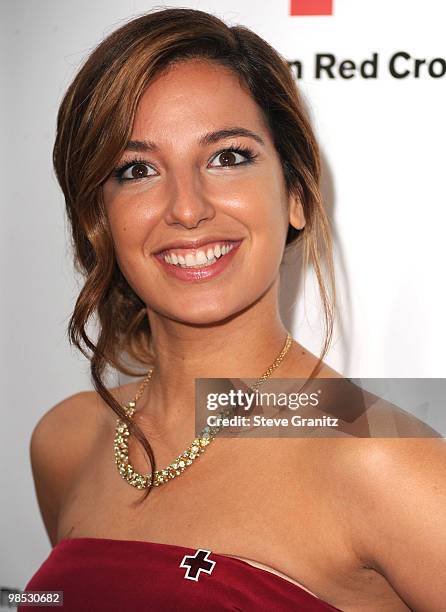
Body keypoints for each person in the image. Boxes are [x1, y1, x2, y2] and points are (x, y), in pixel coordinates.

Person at [21, 7, 446, 612]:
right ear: (99, 221)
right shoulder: (66, 442)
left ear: (296, 194)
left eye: (228, 157)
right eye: (137, 169)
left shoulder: (385, 461)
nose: (187, 208)